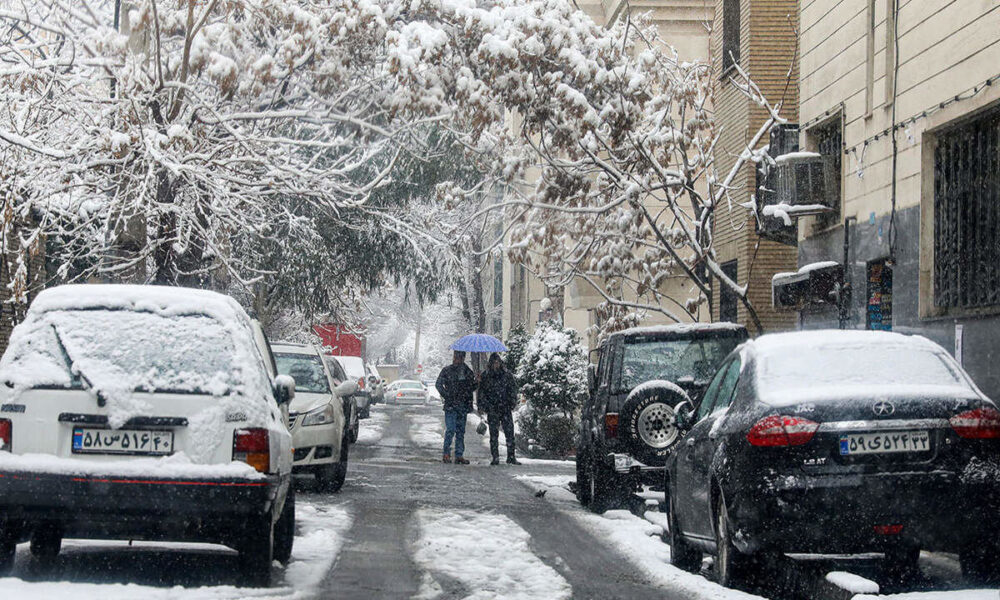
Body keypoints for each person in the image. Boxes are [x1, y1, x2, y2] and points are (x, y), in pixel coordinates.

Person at [477, 353, 521, 465]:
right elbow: (481, 392)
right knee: (494, 434)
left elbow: (513, 390)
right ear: (491, 364)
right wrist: (482, 406)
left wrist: (512, 403)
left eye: (497, 362)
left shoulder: (506, 375)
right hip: (493, 409)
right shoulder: (486, 376)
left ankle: (511, 456)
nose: (496, 365)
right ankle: (495, 457)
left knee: (509, 433)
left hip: (505, 408)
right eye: (494, 363)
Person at [435, 350, 477, 464]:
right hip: (451, 405)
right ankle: (446, 453)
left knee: (460, 431)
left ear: (463, 358)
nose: (456, 359)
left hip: (462, 405)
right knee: (451, 429)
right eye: (455, 357)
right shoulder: (447, 370)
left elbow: (471, 387)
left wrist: (476, 382)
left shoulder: (468, 371)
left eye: (459, 357)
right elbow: (438, 384)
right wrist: (447, 395)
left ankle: (459, 454)